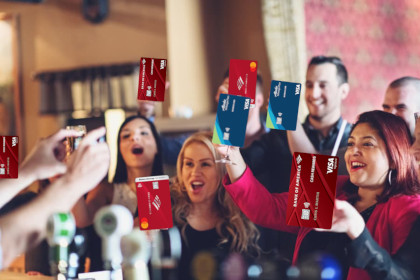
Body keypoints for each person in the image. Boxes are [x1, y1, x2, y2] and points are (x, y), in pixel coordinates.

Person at [220, 110, 420, 279]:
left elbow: (401, 274)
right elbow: (264, 208)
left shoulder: (408, 207)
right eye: (350, 144)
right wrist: (231, 154)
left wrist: (357, 231)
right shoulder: (329, 186)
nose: (353, 152)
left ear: (395, 157)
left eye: (367, 144)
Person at [0, 127, 109, 269]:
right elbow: (6, 243)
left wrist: (28, 171)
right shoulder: (28, 201)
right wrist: (71, 183)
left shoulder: (98, 196)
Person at [171, 132, 260, 279]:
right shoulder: (164, 210)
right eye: (189, 164)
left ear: (222, 171)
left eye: (205, 164)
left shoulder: (240, 221)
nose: (195, 172)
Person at [215, 70, 268, 148]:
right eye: (228, 95)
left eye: (241, 95)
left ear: (259, 100)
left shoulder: (280, 142)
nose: (234, 103)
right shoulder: (215, 146)